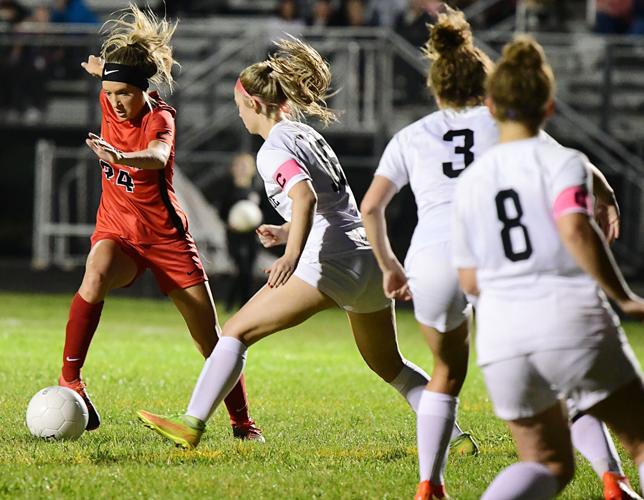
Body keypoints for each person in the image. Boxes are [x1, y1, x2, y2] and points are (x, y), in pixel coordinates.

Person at [137, 37, 476, 454]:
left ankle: (191, 424)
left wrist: (290, 255)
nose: (238, 113)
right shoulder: (305, 135)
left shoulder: (272, 150)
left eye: (239, 105)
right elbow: (329, 202)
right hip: (365, 255)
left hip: (328, 257)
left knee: (237, 331)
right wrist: (284, 231)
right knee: (392, 367)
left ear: (256, 105)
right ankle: (456, 439)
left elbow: (306, 197)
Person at [361, 10, 629, 500]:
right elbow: (575, 163)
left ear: (436, 88)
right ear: (487, 85)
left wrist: (389, 264)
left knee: (446, 372)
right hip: (500, 255)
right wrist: (608, 195)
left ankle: (429, 485)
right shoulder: (502, 122)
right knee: (553, 371)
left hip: (432, 257)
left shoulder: (413, 134)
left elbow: (372, 205)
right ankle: (612, 476)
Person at [57, 4, 263, 442]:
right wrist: (103, 72)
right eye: (110, 94)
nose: (115, 102)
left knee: (211, 338)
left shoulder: (159, 116)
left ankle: (242, 422)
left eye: (123, 94)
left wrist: (121, 157)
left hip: (167, 240)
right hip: (118, 233)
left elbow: (159, 157)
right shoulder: (112, 95)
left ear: (142, 92)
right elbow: (113, 80)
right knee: (94, 272)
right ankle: (70, 380)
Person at [452, 35, 644, 499]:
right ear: (549, 108)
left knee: (549, 464)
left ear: (492, 106)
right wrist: (623, 297)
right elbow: (576, 228)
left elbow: (469, 279)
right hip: (567, 315)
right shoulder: (564, 161)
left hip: (500, 336)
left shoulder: (470, 181)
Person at [214, 153, 262, 311]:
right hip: (235, 236)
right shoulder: (228, 190)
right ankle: (242, 304)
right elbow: (221, 212)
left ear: (253, 169)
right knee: (242, 268)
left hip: (252, 236)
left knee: (247, 269)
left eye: (246, 166)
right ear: (233, 169)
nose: (242, 169)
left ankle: (236, 304)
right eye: (239, 166)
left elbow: (264, 213)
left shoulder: (257, 190)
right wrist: (231, 222)